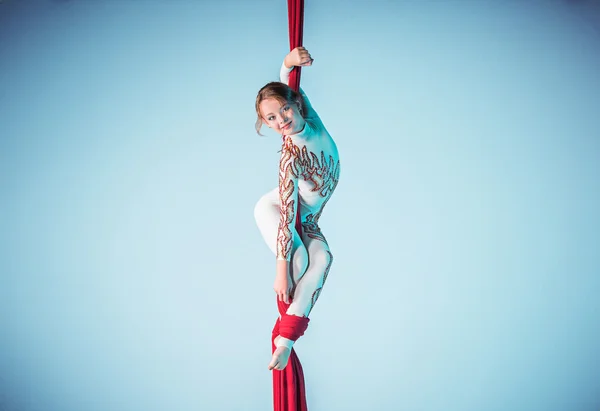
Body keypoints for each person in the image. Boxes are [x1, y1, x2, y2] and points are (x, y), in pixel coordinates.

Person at [254, 47, 341, 371]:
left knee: (323, 260)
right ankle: (285, 325)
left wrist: (287, 62)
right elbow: (287, 212)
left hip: (308, 217)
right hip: (278, 209)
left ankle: (285, 342)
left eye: (284, 111)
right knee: (300, 258)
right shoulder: (289, 156)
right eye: (271, 119)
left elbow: (289, 82)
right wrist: (281, 271)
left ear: (297, 105)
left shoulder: (311, 120)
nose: (281, 121)